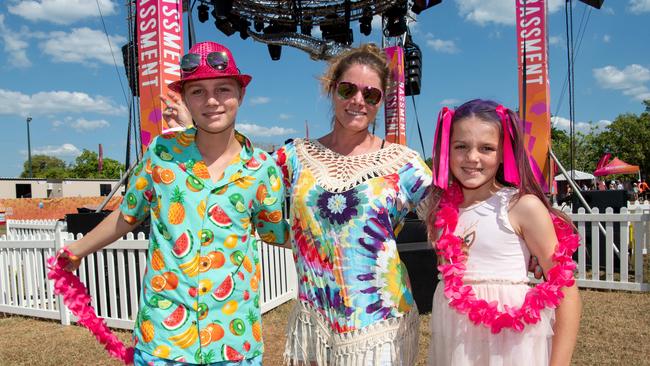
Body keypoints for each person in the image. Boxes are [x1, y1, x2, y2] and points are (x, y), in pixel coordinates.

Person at [58, 41, 287, 366]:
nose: (211, 101)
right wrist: (78, 248)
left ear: (241, 94)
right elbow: (127, 215)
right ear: (186, 100)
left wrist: (329, 238)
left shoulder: (263, 168)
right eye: (198, 92)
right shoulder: (162, 153)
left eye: (223, 89)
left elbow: (274, 232)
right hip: (163, 338)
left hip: (234, 341)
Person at [274, 44, 432, 365]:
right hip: (314, 323)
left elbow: (454, 213)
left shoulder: (403, 163)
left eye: (371, 94)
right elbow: (239, 184)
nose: (358, 100)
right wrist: (185, 134)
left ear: (380, 101)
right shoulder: (295, 156)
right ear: (332, 89)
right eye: (348, 89)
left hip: (378, 330)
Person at [426, 99, 581, 366]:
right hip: (457, 343)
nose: (472, 157)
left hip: (509, 348)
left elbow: (566, 291)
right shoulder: (440, 210)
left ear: (502, 154)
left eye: (486, 148)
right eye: (461, 146)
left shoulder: (521, 206)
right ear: (446, 151)